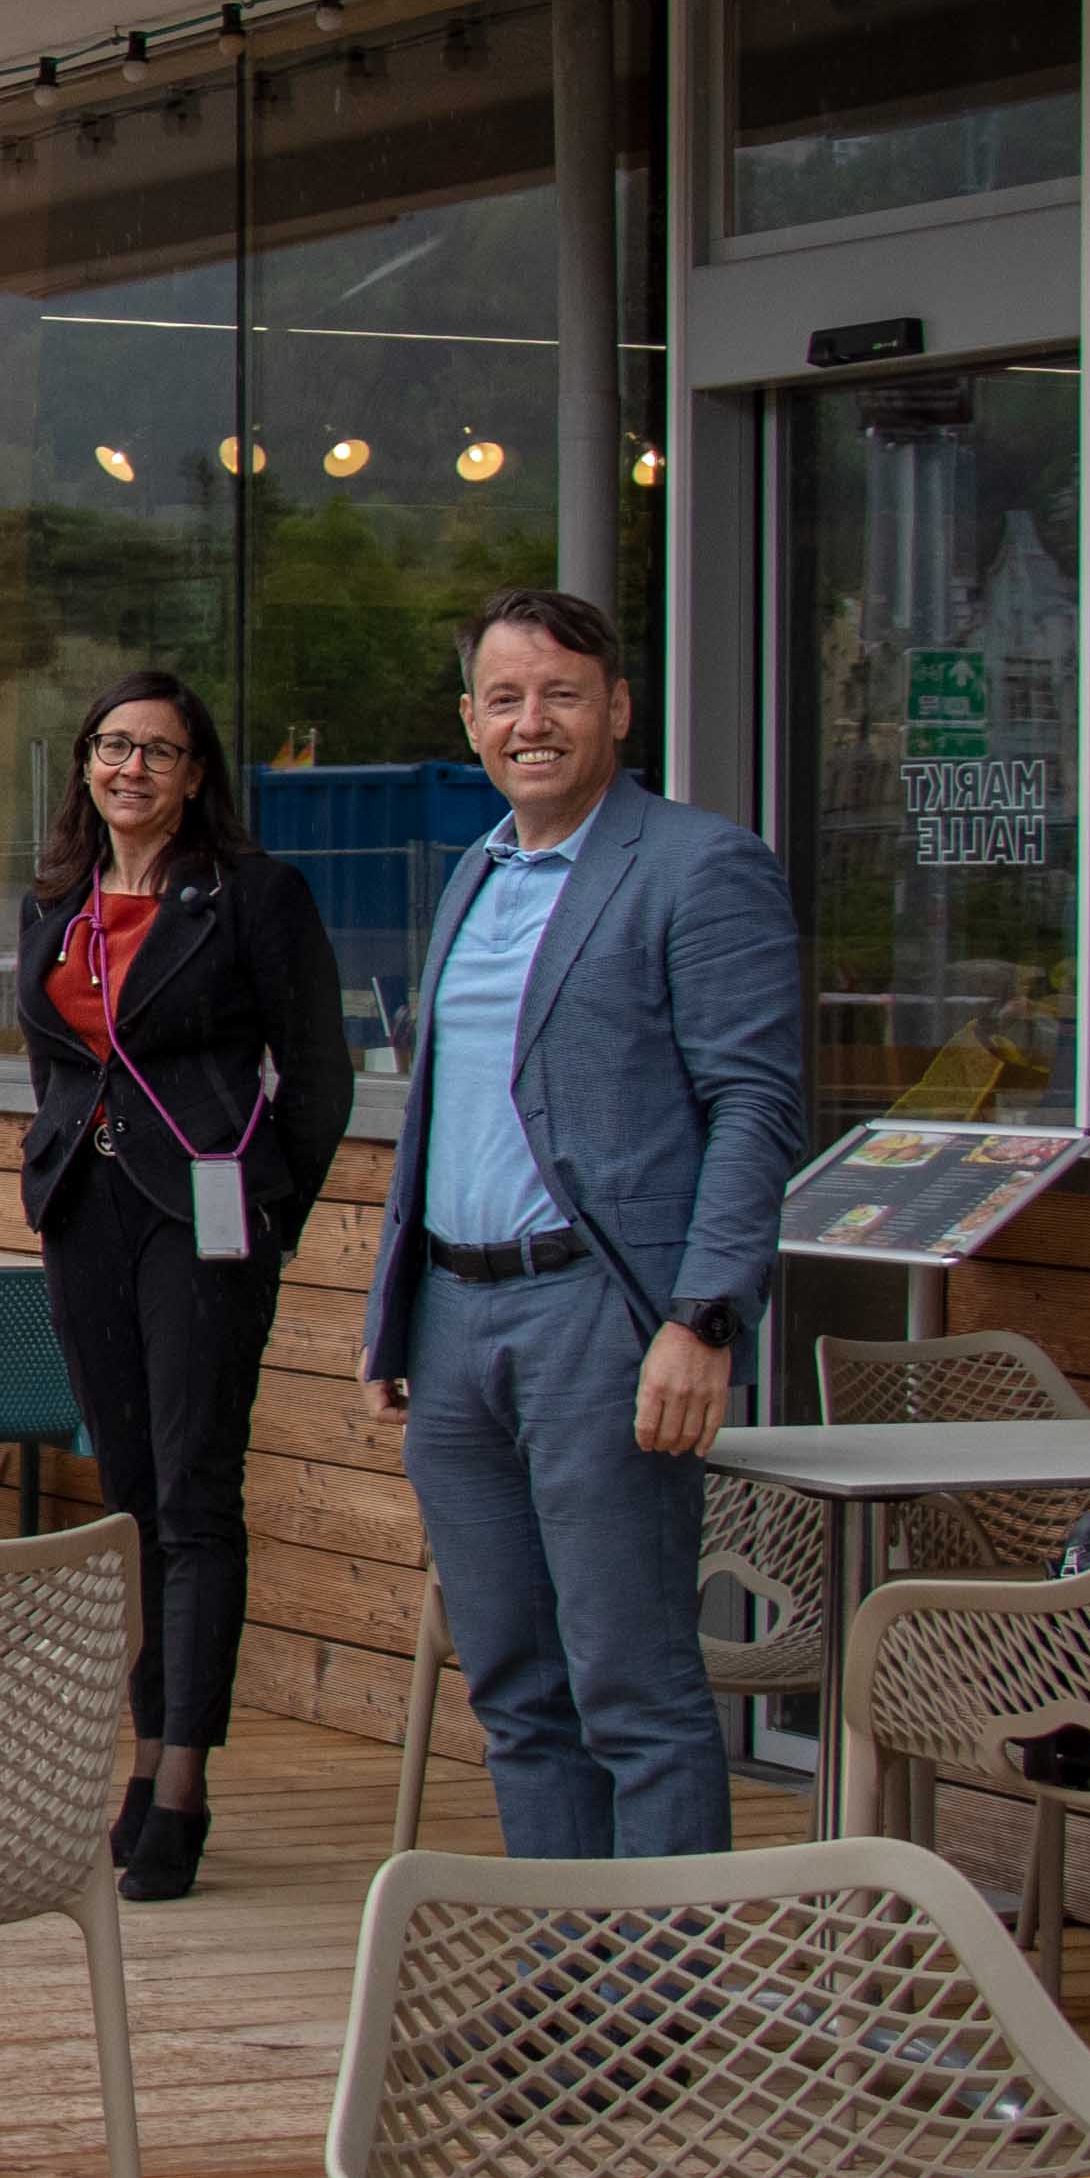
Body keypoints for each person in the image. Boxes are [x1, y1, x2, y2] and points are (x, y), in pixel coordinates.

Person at [358, 587, 803, 1862]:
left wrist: (701, 1316)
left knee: (634, 1688)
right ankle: (568, 2006)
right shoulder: (477, 876)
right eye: (504, 698)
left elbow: (754, 1107)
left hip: (599, 1320)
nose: (531, 722)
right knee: (513, 1688)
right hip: (456, 1324)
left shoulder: (696, 865)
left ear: (616, 708)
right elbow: (445, 1111)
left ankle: (652, 2028)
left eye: (559, 693)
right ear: (470, 721)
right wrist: (396, 1315)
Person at [11, 671, 348, 1907]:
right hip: (86, 1212)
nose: (130, 770)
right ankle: (138, 1754)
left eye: (158, 750)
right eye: (111, 747)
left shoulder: (254, 896)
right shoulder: (59, 897)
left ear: (197, 772)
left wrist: (268, 1208)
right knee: (133, 1491)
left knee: (197, 1493)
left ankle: (182, 1783)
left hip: (203, 1222)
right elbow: (52, 1058)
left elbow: (318, 1073)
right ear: (85, 766)